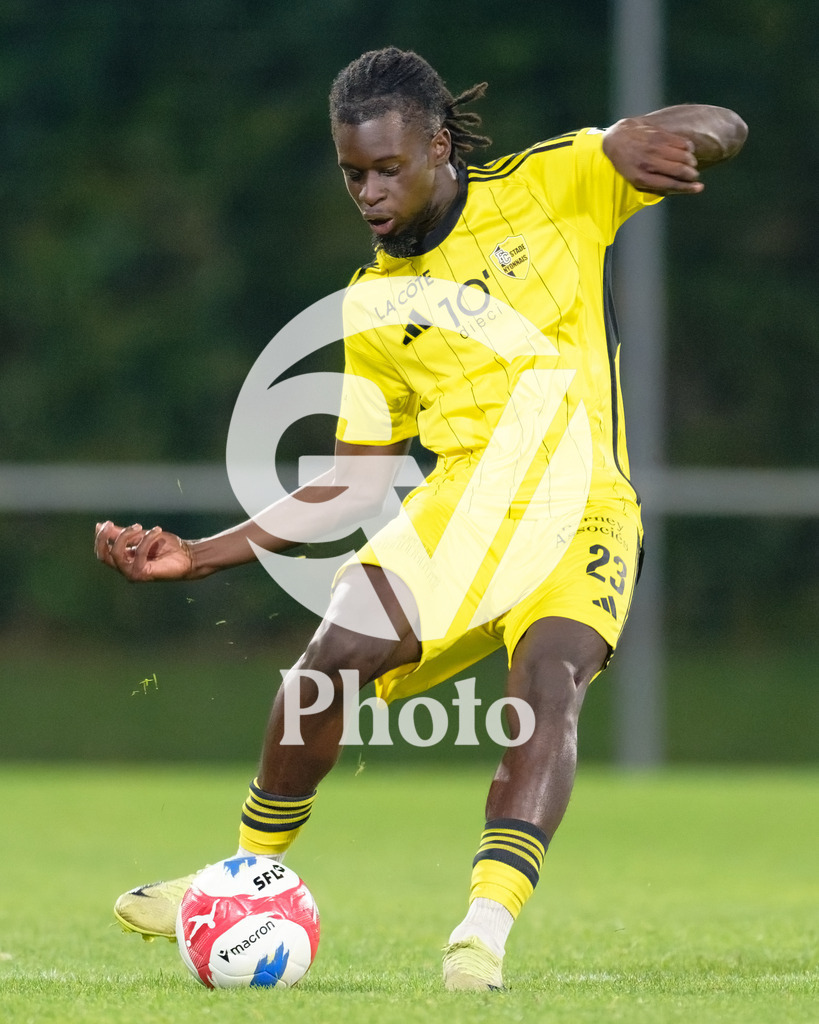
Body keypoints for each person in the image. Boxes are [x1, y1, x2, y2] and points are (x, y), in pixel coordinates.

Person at [95, 47, 747, 991]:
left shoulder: (553, 183)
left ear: (439, 147)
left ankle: (481, 932)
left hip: (583, 510)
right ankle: (246, 871)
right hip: (459, 517)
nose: (367, 191)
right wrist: (200, 557)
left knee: (547, 681)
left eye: (386, 169)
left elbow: (722, 122)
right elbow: (357, 481)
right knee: (328, 667)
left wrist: (684, 137)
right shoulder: (373, 301)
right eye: (351, 172)